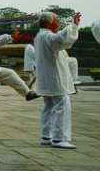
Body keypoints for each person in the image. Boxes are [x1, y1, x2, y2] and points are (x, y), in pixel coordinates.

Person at [35, 11, 81, 149]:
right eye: (57, 20)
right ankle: (59, 138)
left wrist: (72, 26)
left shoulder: (40, 36)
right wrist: (73, 26)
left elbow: (60, 38)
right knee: (62, 105)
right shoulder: (47, 36)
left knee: (49, 106)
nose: (59, 23)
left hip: (46, 78)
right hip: (55, 78)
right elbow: (62, 40)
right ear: (50, 22)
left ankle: (46, 135)